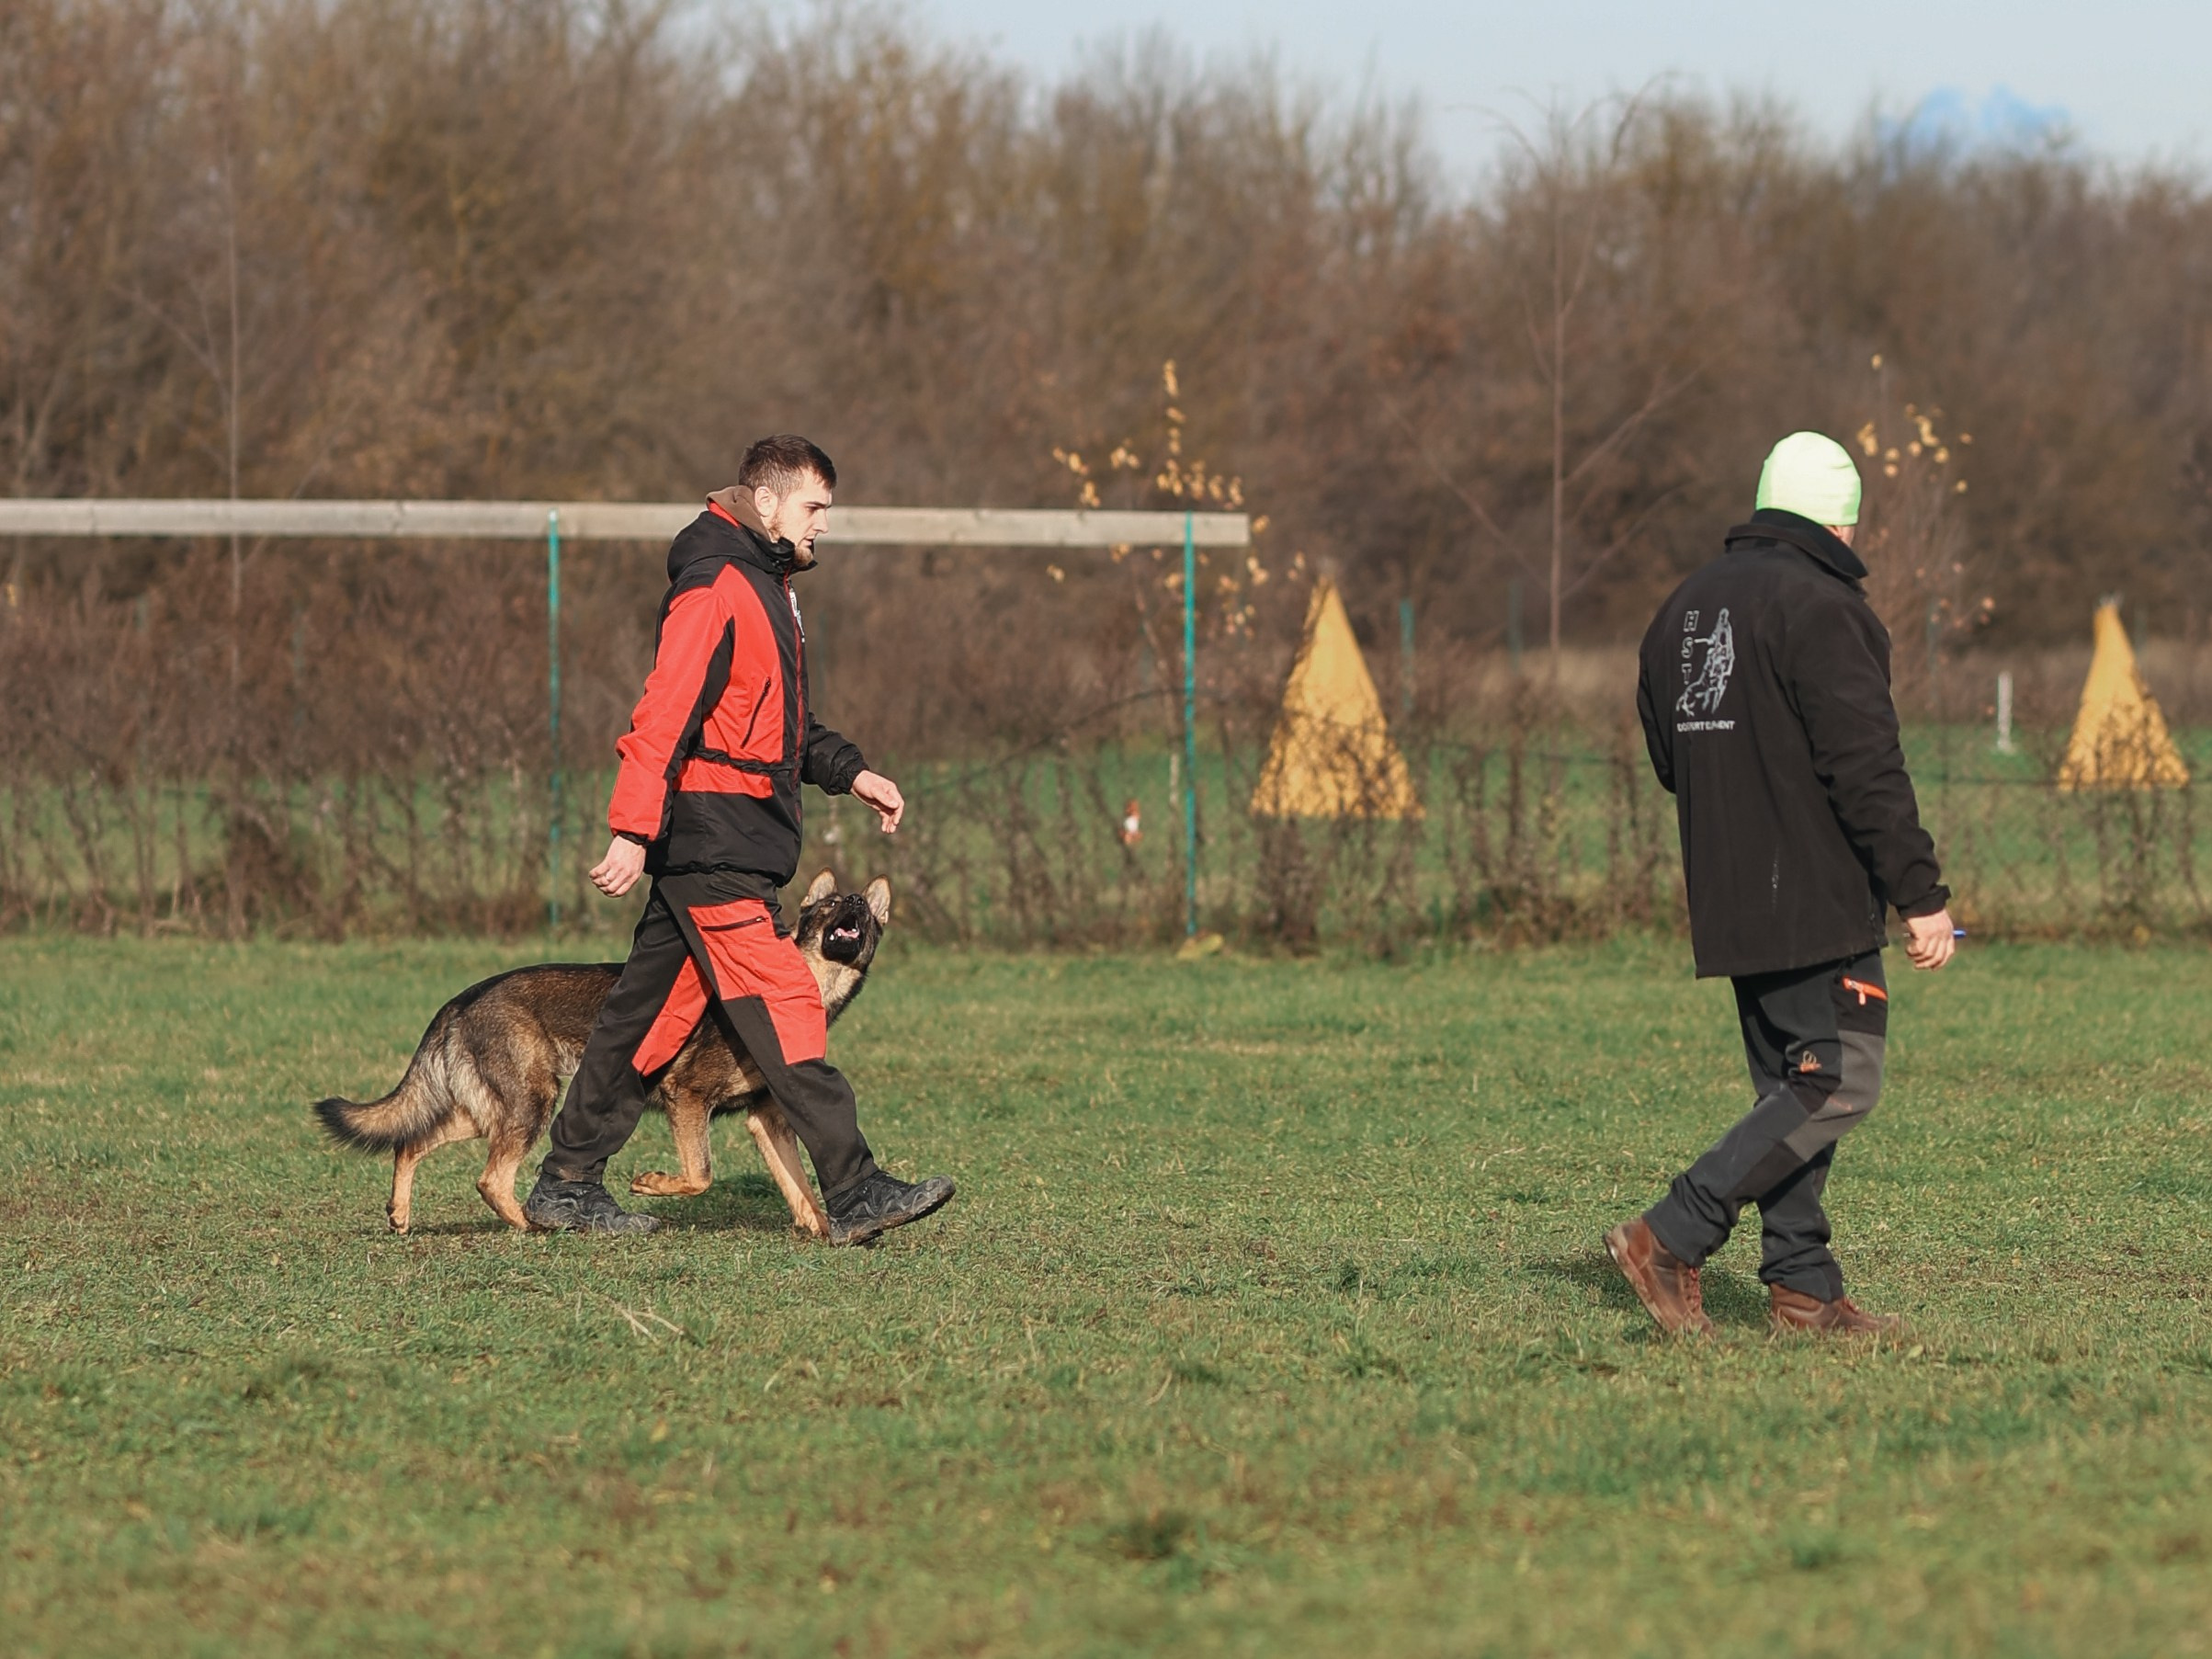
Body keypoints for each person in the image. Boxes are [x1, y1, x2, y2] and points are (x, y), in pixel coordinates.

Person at [524, 435, 955, 1243]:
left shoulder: (769, 588)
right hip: (713, 844)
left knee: (643, 1023)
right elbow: (664, 712)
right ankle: (857, 1190)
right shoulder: (718, 584)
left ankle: (566, 1183)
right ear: (767, 503)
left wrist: (851, 771)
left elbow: (781, 728)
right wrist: (630, 828)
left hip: (730, 846)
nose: (824, 524)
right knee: (790, 999)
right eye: (815, 507)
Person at [1607, 430, 1955, 1335]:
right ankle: (1670, 1232)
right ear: (1838, 520)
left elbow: (1667, 750)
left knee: (1794, 1087)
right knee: (1840, 1077)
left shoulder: (1682, 607)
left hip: (1727, 890)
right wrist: (1919, 892)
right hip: (1811, 893)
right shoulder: (1823, 605)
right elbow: (1864, 765)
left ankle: (1802, 1286)